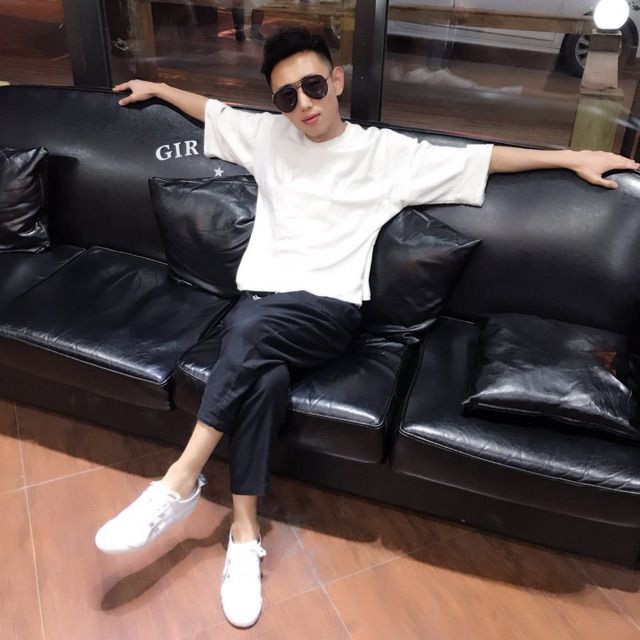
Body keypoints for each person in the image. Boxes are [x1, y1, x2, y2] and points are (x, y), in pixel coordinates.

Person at [95, 27, 638, 629]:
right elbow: (214, 111)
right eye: (286, 96)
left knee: (245, 333)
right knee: (262, 378)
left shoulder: (384, 155)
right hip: (262, 309)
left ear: (336, 81)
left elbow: (482, 159)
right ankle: (245, 535)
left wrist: (571, 157)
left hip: (328, 313)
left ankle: (178, 481)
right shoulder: (268, 136)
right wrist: (159, 87)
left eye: (312, 86)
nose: (303, 104)